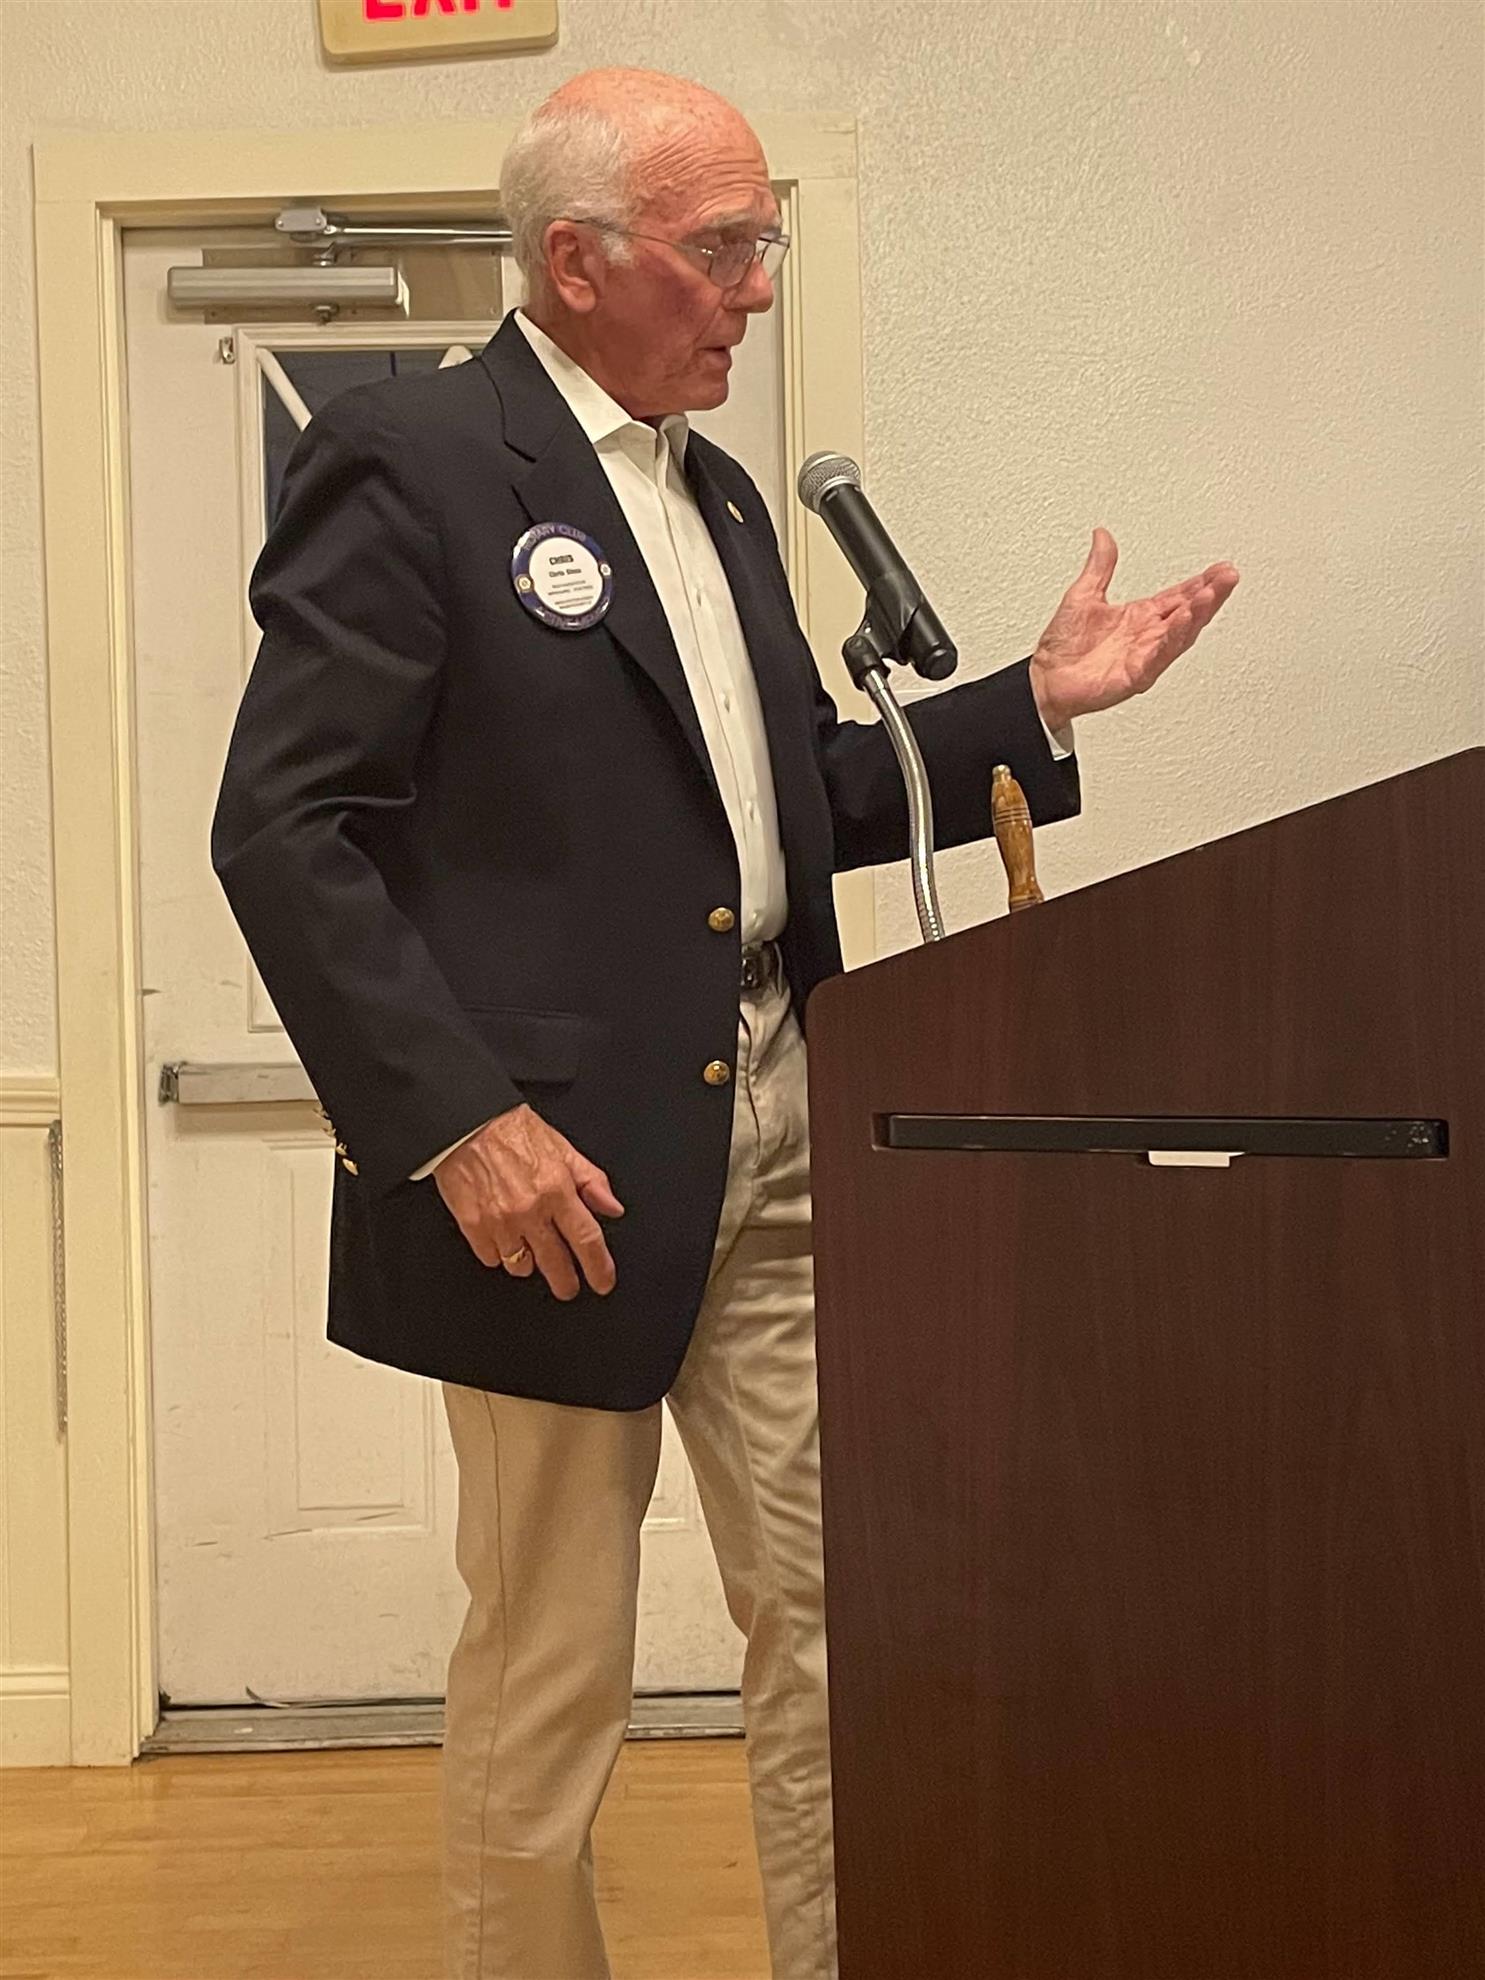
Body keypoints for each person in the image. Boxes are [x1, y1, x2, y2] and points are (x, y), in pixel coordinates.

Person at [212, 65, 1239, 1980]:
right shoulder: (411, 461)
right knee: (551, 1669)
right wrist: (459, 1124)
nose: (756, 287)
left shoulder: (724, 496)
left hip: (779, 1111)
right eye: (722, 247)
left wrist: (1034, 702)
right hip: (551, 1179)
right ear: (575, 261)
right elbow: (281, 830)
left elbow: (792, 798)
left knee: (845, 1625)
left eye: (763, 241)